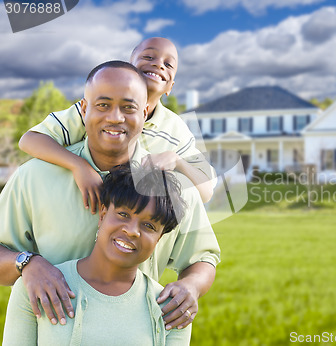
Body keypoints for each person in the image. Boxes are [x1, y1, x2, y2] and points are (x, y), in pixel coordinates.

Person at [0, 61, 220, 332]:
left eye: (128, 107)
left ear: (145, 111)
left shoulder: (171, 188)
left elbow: (203, 257)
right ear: (84, 108)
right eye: (103, 105)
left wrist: (191, 287)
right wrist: (26, 263)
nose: (116, 117)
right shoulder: (33, 177)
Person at [3, 164, 191, 345]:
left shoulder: (172, 309)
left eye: (149, 226)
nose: (132, 231)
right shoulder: (37, 287)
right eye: (123, 214)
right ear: (102, 215)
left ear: (158, 239)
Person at [18, 37, 215, 209]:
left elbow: (206, 192)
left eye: (168, 64)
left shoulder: (175, 128)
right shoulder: (95, 110)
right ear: (129, 67)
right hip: (80, 205)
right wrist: (79, 166)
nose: (158, 65)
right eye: (148, 57)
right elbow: (30, 140)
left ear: (170, 87)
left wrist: (177, 161)